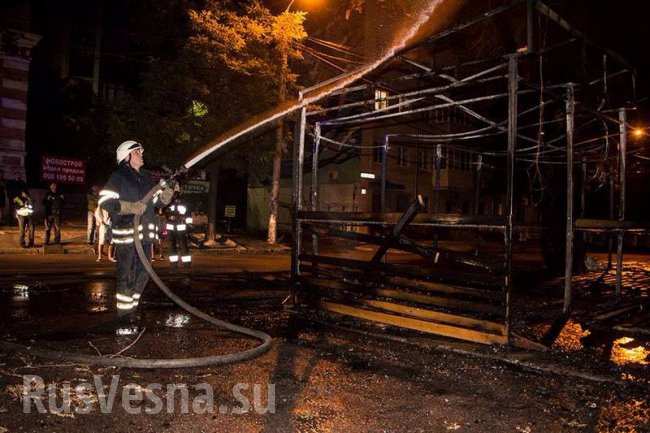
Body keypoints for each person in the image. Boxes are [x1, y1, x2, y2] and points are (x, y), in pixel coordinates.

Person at [99, 140, 173, 316]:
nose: (142, 155)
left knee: (144, 274)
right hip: (127, 237)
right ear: (128, 155)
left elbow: (156, 202)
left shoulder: (146, 177)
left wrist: (167, 194)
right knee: (127, 276)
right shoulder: (119, 176)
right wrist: (130, 207)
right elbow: (105, 201)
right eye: (138, 152)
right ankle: (124, 318)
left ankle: (132, 308)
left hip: (145, 237)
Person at [165, 192, 193, 268]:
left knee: (182, 245)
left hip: (180, 227)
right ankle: (174, 264)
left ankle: (186, 263)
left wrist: (189, 226)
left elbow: (188, 216)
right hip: (172, 228)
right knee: (173, 246)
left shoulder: (181, 204)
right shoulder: (168, 203)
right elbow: (164, 213)